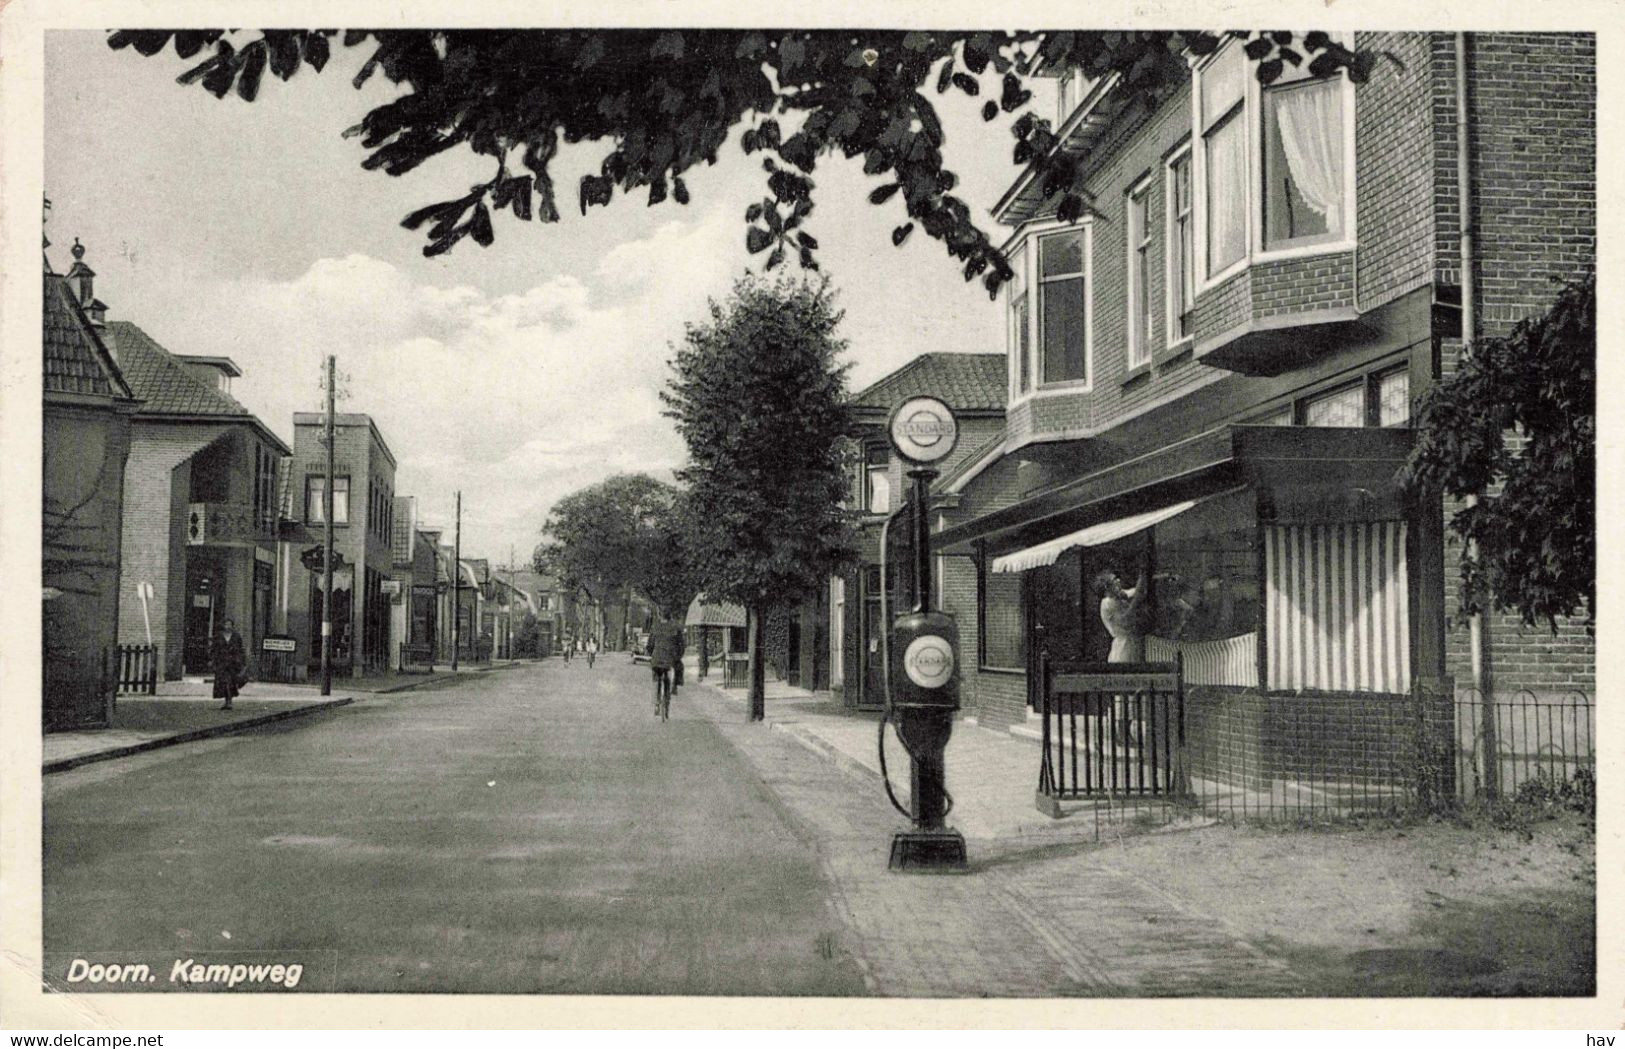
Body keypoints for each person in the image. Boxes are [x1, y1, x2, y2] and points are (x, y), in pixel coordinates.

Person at [646, 616, 685, 721]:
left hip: (657, 659)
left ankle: (656, 703)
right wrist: (678, 656)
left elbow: (649, 645)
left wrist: (651, 654)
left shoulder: (655, 627)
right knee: (676, 670)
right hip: (669, 660)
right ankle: (674, 687)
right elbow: (681, 645)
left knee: (656, 679)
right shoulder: (675, 627)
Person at [211, 617, 246, 711]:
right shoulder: (218, 636)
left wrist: (242, 662)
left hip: (232, 663)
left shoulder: (236, 636)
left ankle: (229, 701)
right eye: (226, 624)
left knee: (230, 682)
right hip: (221, 663)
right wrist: (213, 661)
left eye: (230, 624)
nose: (228, 626)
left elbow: (241, 650)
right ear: (223, 625)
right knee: (223, 682)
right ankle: (227, 701)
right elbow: (214, 649)